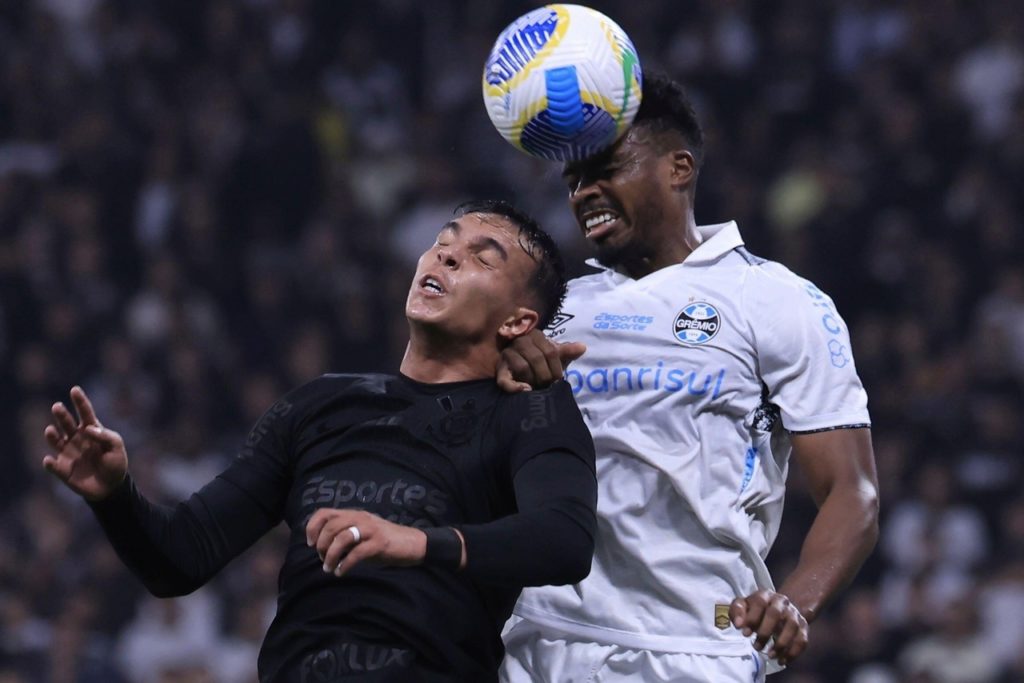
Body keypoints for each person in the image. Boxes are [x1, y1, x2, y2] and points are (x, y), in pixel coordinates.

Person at [42, 200, 598, 683]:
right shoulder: (319, 406)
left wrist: (418, 543)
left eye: (482, 257)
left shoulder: (529, 406)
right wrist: (113, 496)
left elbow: (564, 540)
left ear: (518, 322)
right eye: (442, 242)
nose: (444, 256)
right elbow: (180, 559)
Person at [497, 74, 880, 682]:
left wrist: (796, 601)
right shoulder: (551, 305)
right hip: (540, 637)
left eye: (605, 170)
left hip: (692, 648)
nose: (584, 193)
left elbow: (851, 493)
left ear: (679, 168)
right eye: (574, 181)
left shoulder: (776, 300)